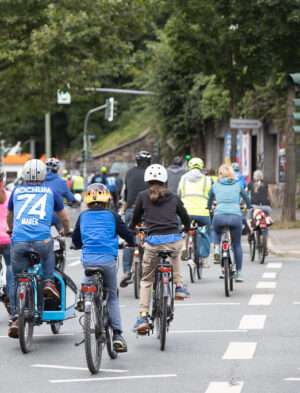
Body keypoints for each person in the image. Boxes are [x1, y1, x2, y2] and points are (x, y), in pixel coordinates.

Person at [7, 159, 72, 338]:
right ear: (43, 176)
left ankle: (14, 318)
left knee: (15, 278)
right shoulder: (50, 192)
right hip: (42, 240)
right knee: (48, 252)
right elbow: (64, 218)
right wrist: (66, 231)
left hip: (19, 241)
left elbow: (9, 215)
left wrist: (11, 229)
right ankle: (49, 282)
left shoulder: (17, 191)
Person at [72, 183, 136, 352]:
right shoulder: (112, 216)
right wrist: (133, 242)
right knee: (113, 297)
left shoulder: (83, 217)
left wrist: (78, 245)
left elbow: (76, 241)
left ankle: (83, 297)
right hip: (108, 260)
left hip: (88, 260)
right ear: (107, 200)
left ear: (87, 202)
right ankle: (117, 335)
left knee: (88, 272)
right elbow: (127, 234)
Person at [129, 164, 190, 332]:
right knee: (176, 255)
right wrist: (186, 227)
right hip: (173, 240)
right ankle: (178, 286)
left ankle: (143, 316)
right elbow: (185, 216)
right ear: (165, 180)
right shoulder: (174, 196)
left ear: (147, 181)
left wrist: (132, 226)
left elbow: (135, 218)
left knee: (147, 280)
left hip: (153, 243)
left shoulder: (142, 196)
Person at [207, 164, 251, 283]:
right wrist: (249, 206)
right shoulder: (237, 185)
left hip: (219, 215)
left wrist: (208, 207)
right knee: (237, 245)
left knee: (216, 230)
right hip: (235, 217)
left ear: (221, 175)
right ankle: (239, 273)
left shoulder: (215, 185)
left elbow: (210, 199)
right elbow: (246, 197)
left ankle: (216, 248)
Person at [120, 151, 152, 287]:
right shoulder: (152, 173)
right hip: (149, 211)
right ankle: (152, 267)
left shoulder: (129, 173)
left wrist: (125, 209)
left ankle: (127, 271)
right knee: (152, 237)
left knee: (129, 240)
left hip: (131, 210)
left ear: (136, 161)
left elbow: (126, 194)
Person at [178, 157, 213, 267]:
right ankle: (205, 260)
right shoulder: (207, 179)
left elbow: (178, 194)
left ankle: (184, 245)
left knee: (182, 229)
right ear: (201, 168)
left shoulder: (183, 178)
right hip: (203, 212)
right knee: (206, 232)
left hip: (186, 212)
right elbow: (212, 195)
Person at [44, 158, 77, 232]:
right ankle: (61, 239)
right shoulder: (61, 182)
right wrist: (74, 200)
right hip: (55, 217)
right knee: (63, 232)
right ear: (57, 169)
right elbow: (70, 197)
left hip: (41, 218)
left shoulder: (40, 181)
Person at [246, 170, 273, 248]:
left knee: (248, 218)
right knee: (266, 224)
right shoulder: (266, 184)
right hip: (266, 207)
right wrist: (270, 205)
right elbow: (270, 196)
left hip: (254, 206)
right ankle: (266, 248)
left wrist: (242, 203)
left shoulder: (251, 184)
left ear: (254, 177)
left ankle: (251, 230)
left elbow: (245, 193)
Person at [0, 169, 12, 303]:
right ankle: (9, 293)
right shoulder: (10, 195)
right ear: (2, 180)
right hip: (7, 237)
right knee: (10, 265)